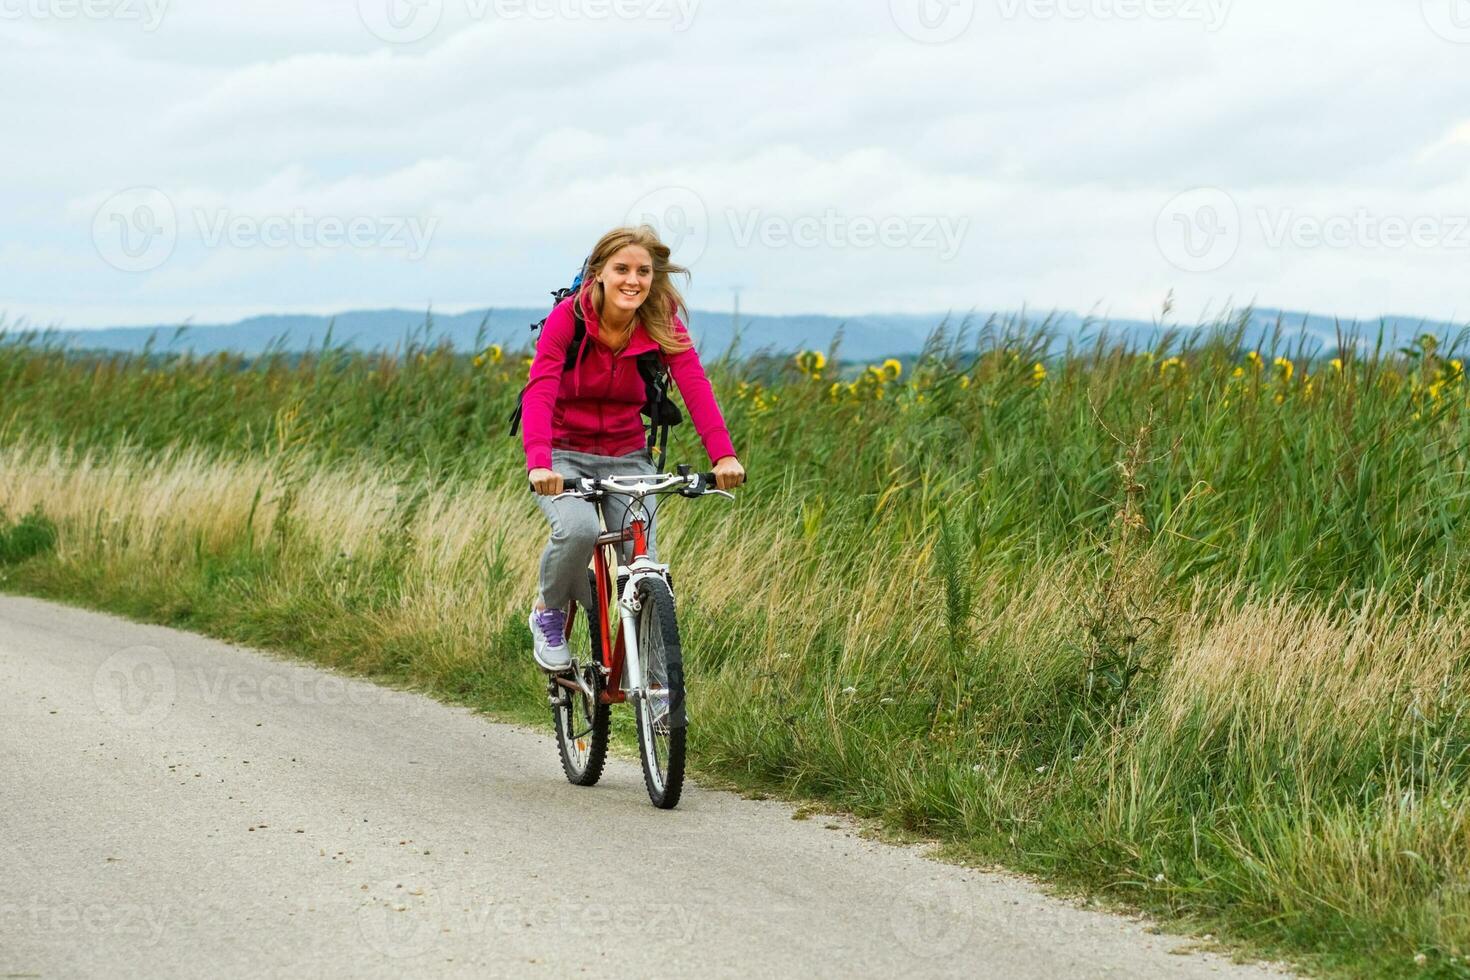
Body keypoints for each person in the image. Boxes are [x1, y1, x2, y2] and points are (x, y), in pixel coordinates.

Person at [522, 225, 746, 672]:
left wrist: (723, 454)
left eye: (643, 271)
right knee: (579, 531)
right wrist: (539, 464)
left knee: (641, 559)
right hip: (565, 454)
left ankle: (659, 689)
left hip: (627, 455)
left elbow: (694, 383)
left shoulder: (659, 319)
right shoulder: (572, 317)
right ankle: (547, 612)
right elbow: (541, 387)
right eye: (621, 268)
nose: (633, 280)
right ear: (598, 274)